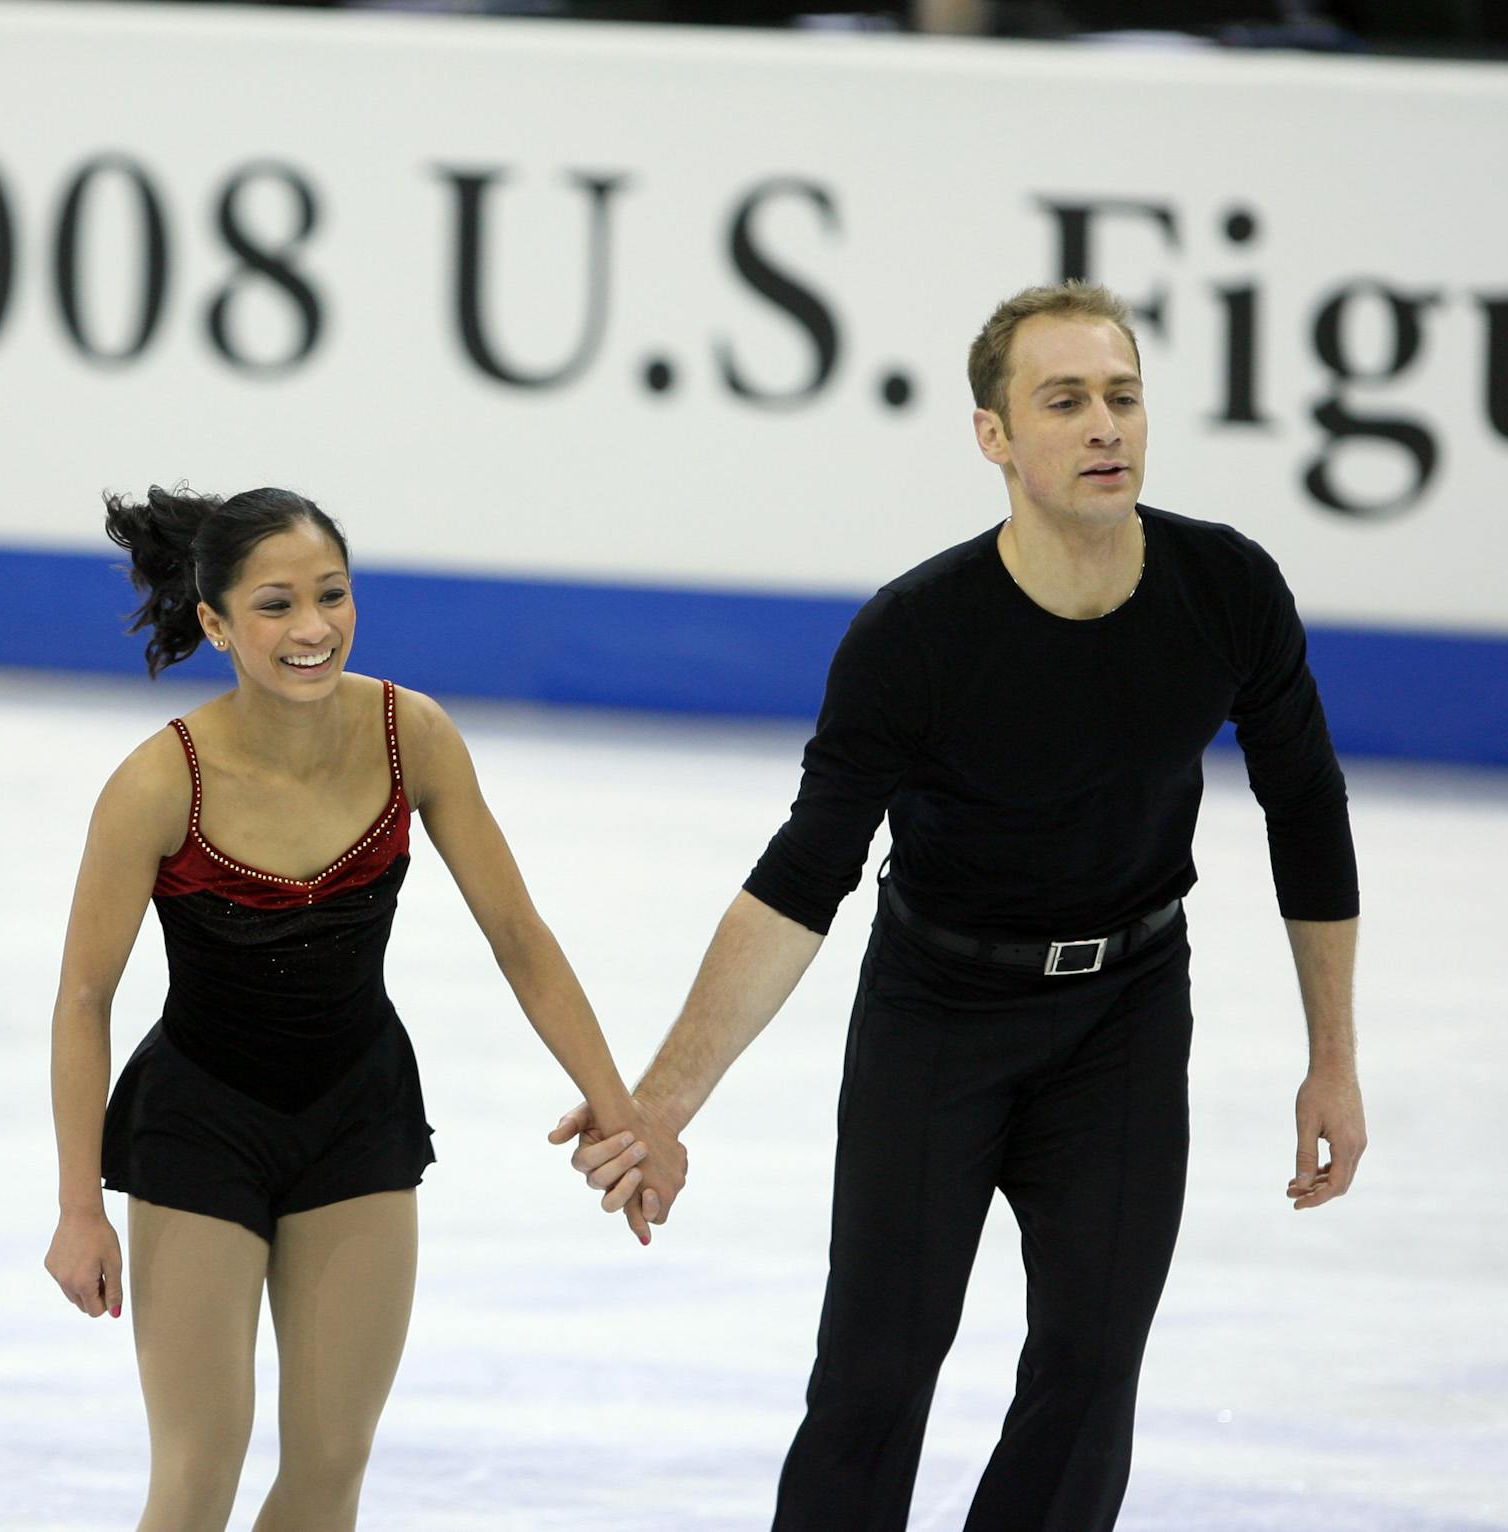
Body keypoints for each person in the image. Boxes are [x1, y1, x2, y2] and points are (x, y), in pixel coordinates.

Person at [552, 281, 1366, 1531]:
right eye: (1065, 401)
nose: (1105, 426)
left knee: (1092, 1372)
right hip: (940, 1010)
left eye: (1123, 396)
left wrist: (1333, 1059)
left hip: (1127, 1012)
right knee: (876, 1371)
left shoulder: (1226, 588)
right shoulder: (916, 635)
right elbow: (801, 875)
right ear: (994, 434)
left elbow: (1306, 808)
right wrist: (660, 1107)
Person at [43, 485, 677, 1532]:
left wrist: (619, 1104)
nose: (313, 628)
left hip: (357, 1113)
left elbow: (518, 933)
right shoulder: (159, 783)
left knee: (333, 1462)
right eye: (276, 605)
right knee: (200, 1469)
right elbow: (82, 997)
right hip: (200, 1123)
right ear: (214, 624)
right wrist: (78, 1205)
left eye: (332, 595)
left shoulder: (408, 734)